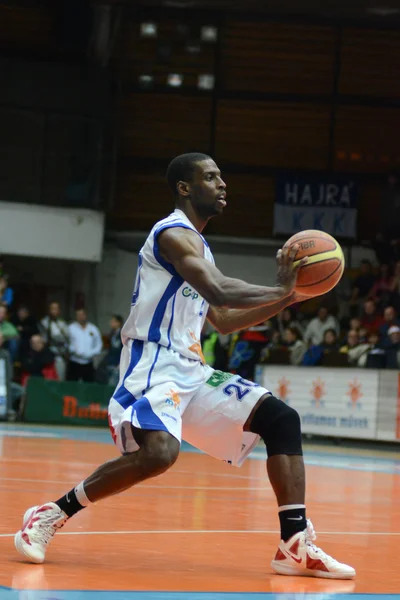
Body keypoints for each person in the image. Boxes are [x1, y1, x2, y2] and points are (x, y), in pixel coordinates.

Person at [14, 152, 355, 578]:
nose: (222, 183)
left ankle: (294, 544)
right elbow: (219, 290)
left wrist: (287, 299)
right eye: (211, 177)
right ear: (185, 188)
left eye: (221, 176)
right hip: (152, 362)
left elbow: (225, 320)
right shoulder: (172, 234)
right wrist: (280, 287)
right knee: (160, 454)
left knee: (281, 418)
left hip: (192, 369)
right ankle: (51, 513)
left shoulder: (201, 246)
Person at [67, 309, 103, 382]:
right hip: (74, 361)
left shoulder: (93, 328)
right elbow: (67, 342)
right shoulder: (71, 328)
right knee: (72, 384)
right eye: (78, 315)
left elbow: (99, 344)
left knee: (88, 385)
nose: (80, 317)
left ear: (86, 315)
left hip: (88, 362)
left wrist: (91, 353)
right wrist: (73, 350)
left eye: (82, 315)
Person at [40, 302, 70, 381]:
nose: (54, 311)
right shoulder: (44, 322)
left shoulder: (62, 323)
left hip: (60, 355)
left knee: (60, 378)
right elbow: (43, 339)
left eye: (56, 309)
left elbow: (66, 339)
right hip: (48, 355)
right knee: (48, 379)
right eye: (52, 309)